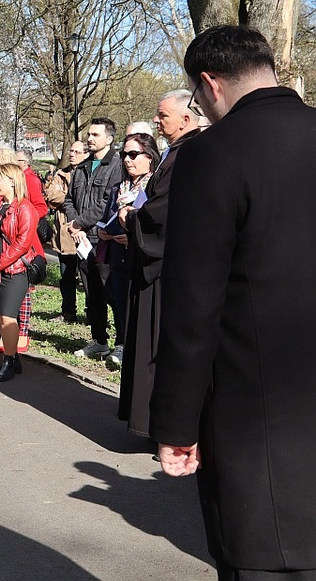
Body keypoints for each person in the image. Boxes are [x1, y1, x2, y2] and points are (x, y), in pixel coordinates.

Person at [149, 25, 316, 578]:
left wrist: (175, 424)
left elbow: (193, 305)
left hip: (257, 421)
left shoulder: (212, 154)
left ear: (209, 83)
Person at [118, 89, 200, 437]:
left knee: (160, 347)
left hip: (168, 267)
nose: (156, 120)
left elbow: (167, 212)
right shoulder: (176, 151)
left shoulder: (191, 153)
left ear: (185, 118)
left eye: (162, 115)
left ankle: (163, 426)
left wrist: (132, 218)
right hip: (155, 262)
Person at [93, 133, 159, 368]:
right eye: (124, 155)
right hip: (116, 260)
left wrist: (131, 236)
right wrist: (104, 231)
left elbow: (155, 226)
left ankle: (139, 359)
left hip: (141, 261)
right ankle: (123, 348)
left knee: (138, 316)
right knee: (120, 308)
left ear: (150, 156)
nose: (127, 160)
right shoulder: (118, 187)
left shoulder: (154, 187)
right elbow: (107, 216)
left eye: (133, 154)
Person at [0, 163, 44, 382]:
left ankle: (7, 362)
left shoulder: (25, 208)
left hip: (16, 271)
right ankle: (13, 358)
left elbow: (22, 244)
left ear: (13, 181)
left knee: (7, 317)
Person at [63, 117, 123, 358]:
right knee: (92, 293)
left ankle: (121, 343)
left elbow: (107, 201)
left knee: (112, 293)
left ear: (109, 139)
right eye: (89, 134)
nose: (89, 138)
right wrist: (74, 222)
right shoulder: (82, 167)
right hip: (82, 240)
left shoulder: (116, 166)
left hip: (103, 239)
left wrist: (81, 222)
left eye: (95, 135)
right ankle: (99, 340)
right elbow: (68, 199)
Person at [43, 141, 87, 323]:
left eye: (77, 152)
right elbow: (50, 195)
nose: (72, 154)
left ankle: (92, 312)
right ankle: (68, 312)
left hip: (85, 230)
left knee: (88, 277)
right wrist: (70, 195)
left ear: (86, 154)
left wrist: (67, 194)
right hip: (64, 233)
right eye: (71, 151)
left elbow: (84, 197)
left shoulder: (88, 174)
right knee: (66, 276)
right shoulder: (61, 173)